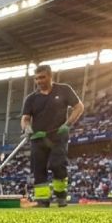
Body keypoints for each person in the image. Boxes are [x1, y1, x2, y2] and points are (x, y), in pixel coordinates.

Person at [20, 65, 85, 207]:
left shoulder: (64, 90)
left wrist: (67, 124)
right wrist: (27, 128)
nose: (39, 81)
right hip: (38, 138)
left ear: (50, 76)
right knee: (39, 169)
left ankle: (61, 197)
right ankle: (43, 201)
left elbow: (79, 107)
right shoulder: (31, 99)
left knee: (57, 165)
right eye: (36, 79)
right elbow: (25, 118)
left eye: (42, 77)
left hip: (58, 136)